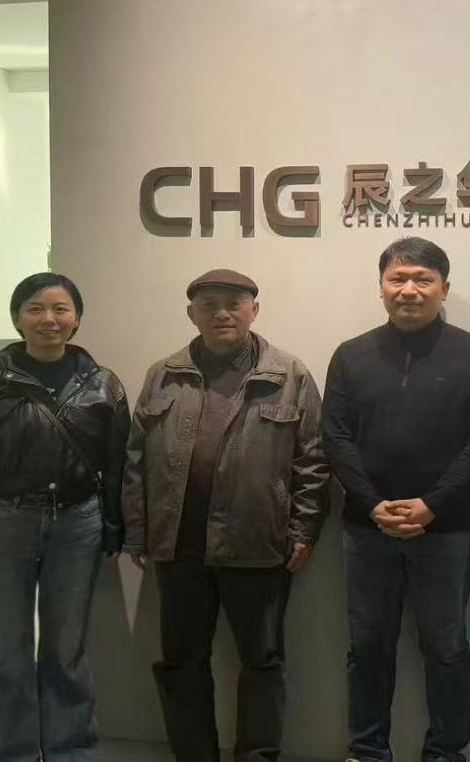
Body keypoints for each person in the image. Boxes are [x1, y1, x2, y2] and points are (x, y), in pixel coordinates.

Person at [122, 269, 330, 762]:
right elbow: (134, 459)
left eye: (234, 304)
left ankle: (257, 756)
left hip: (258, 544)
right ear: (191, 314)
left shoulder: (290, 375)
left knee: (262, 661)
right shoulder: (163, 374)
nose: (222, 313)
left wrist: (304, 529)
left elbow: (313, 459)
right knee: (181, 663)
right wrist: (138, 530)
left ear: (254, 311)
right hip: (177, 546)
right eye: (209, 304)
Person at [323, 237, 470, 762]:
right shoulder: (351, 355)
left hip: (445, 529)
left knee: (446, 648)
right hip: (367, 527)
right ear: (380, 287)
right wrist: (372, 503)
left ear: (444, 288)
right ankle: (367, 752)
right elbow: (335, 436)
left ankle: (445, 753)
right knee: (367, 647)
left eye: (423, 279)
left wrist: (433, 504)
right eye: (397, 278)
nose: (409, 289)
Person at [0, 273, 130, 762]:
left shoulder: (103, 383)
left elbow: (118, 464)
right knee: (6, 651)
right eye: (35, 309)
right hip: (5, 522)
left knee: (66, 649)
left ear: (77, 318)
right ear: (17, 319)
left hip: (78, 523)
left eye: (60, 309)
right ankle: (14, 753)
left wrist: (114, 527)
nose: (48, 319)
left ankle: (70, 750)